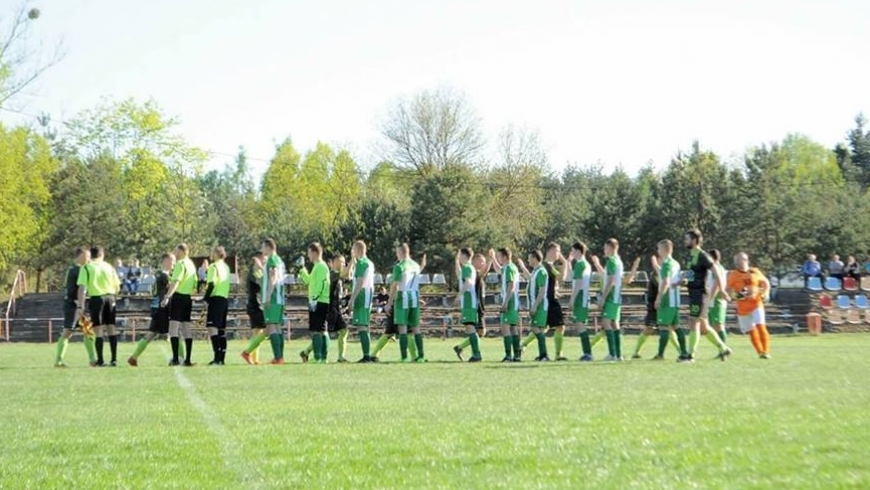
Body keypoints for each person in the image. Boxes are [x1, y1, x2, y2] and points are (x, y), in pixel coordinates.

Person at [680, 229, 731, 363]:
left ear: (694, 240)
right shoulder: (690, 255)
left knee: (693, 322)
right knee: (703, 326)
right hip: (693, 293)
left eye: (687, 239)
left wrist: (723, 290)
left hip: (700, 294)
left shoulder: (703, 255)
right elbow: (692, 273)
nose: (685, 241)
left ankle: (690, 355)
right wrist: (684, 280)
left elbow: (717, 272)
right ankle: (723, 348)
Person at [370, 252, 427, 362]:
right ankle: (414, 356)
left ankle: (375, 354)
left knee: (394, 331)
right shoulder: (403, 271)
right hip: (399, 304)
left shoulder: (399, 271)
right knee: (399, 331)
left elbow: (401, 286)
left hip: (401, 304)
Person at [241, 239, 287, 365]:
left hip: (272, 298)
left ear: (268, 247)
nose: (262, 250)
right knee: (276, 328)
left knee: (272, 327)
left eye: (263, 247)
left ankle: (278, 358)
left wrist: (267, 296)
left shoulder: (272, 259)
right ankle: (280, 357)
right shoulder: (279, 260)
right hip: (279, 298)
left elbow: (273, 278)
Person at [300, 254, 351, 363]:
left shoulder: (337, 275)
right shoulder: (332, 274)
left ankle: (340, 357)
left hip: (336, 309)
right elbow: (345, 273)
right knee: (324, 333)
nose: (343, 264)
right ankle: (309, 352)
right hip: (329, 310)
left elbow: (348, 275)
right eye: (341, 262)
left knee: (343, 330)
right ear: (333, 262)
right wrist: (353, 260)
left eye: (344, 262)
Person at [128, 253, 175, 366]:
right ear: (166, 260)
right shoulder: (164, 275)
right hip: (161, 308)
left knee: (151, 333)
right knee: (174, 332)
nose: (174, 263)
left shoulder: (160, 273)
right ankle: (181, 358)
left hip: (156, 307)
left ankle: (134, 357)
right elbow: (173, 287)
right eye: (172, 260)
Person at [77, 246, 121, 367]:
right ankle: (114, 359)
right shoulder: (109, 267)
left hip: (97, 298)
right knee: (111, 328)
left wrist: (80, 306)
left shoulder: (86, 267)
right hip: (110, 297)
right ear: (102, 255)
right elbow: (118, 286)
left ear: (91, 255)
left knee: (98, 330)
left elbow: (82, 288)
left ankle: (101, 360)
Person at [55, 247, 96, 367]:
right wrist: (79, 304)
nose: (89, 259)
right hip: (73, 305)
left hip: (77, 305)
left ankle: (92, 359)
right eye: (87, 256)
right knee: (68, 332)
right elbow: (76, 289)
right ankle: (58, 360)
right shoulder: (77, 269)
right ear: (80, 255)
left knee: (88, 331)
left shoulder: (72, 269)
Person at [726, 253, 771, 359]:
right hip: (743, 307)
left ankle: (766, 351)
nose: (736, 263)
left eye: (739, 260)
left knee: (761, 325)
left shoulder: (755, 271)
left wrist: (766, 293)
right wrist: (737, 296)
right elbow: (728, 290)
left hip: (756, 303)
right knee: (751, 330)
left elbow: (765, 282)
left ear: (746, 260)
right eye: (735, 261)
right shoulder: (733, 275)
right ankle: (760, 352)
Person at [386, 243, 425, 363]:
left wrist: (389, 303)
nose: (396, 255)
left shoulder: (399, 266)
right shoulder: (416, 265)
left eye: (397, 253)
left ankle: (404, 357)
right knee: (416, 328)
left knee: (402, 328)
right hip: (414, 297)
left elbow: (395, 286)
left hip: (402, 298)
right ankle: (421, 356)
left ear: (401, 252)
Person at [162, 243, 197, 367]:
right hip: (188, 298)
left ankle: (176, 358)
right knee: (186, 328)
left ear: (181, 252)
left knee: (173, 328)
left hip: (178, 297)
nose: (175, 253)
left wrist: (167, 296)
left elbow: (176, 281)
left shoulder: (180, 264)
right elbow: (195, 284)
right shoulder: (191, 265)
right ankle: (187, 359)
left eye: (176, 251)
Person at [298, 242, 331, 363]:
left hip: (319, 301)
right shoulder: (316, 267)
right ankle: (321, 358)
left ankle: (318, 357)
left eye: (309, 253)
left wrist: (315, 297)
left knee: (318, 330)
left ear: (315, 252)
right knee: (321, 329)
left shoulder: (321, 266)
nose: (308, 256)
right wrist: (302, 269)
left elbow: (323, 283)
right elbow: (308, 281)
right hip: (316, 301)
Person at [651, 240, 682, 360]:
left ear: (664, 249)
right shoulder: (676, 263)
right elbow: (672, 279)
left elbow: (665, 282)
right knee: (676, 326)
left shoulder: (667, 263)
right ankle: (684, 352)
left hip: (667, 299)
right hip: (675, 300)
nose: (658, 251)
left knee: (664, 327)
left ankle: (660, 354)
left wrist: (658, 298)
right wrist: (655, 266)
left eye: (659, 249)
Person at [488, 248, 521, 362]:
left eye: (499, 256)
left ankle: (509, 355)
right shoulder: (509, 267)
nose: (498, 258)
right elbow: (498, 269)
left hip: (510, 300)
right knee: (513, 328)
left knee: (506, 328)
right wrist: (492, 258)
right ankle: (517, 355)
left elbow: (511, 285)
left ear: (505, 257)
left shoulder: (509, 268)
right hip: (513, 300)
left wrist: (505, 302)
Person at [451, 248, 483, 362]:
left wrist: (458, 296)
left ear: (464, 255)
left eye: (459, 255)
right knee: (470, 327)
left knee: (470, 328)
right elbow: (459, 274)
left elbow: (468, 281)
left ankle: (476, 354)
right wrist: (456, 262)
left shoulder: (467, 267)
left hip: (468, 301)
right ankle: (475, 353)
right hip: (470, 301)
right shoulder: (470, 267)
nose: (458, 257)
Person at [518, 250, 550, 361]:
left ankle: (544, 355)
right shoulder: (536, 271)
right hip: (537, 305)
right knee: (539, 330)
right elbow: (530, 278)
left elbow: (542, 291)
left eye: (529, 258)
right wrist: (522, 267)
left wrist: (535, 306)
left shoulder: (541, 271)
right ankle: (543, 355)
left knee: (535, 328)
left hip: (540, 306)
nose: (528, 260)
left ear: (535, 258)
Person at [348, 241, 376, 363]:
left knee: (361, 326)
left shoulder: (361, 263)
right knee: (365, 325)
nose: (352, 252)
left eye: (353, 250)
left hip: (362, 294)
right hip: (369, 294)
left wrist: (352, 299)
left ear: (358, 250)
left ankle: (366, 356)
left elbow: (359, 282)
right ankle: (367, 354)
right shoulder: (369, 263)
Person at [203, 246, 231, 366]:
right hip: (224, 299)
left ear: (215, 253)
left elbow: (212, 283)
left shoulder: (213, 266)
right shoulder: (226, 267)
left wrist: (206, 298)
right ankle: (222, 358)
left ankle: (217, 357)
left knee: (212, 328)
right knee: (221, 330)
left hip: (216, 299)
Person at [566, 242, 594, 361]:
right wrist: (568, 263)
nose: (571, 253)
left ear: (578, 251)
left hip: (580, 296)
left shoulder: (580, 264)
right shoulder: (585, 264)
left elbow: (578, 283)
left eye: (573, 250)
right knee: (579, 324)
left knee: (580, 324)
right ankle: (587, 353)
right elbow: (571, 277)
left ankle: (587, 353)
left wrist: (572, 299)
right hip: (583, 296)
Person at [244, 251, 266, 365]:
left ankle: (253, 358)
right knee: (264, 331)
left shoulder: (256, 271)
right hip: (256, 305)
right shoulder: (253, 272)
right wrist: (263, 268)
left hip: (255, 304)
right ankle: (250, 355)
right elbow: (262, 281)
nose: (264, 261)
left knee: (257, 332)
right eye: (263, 259)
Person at [707, 249, 730, 346]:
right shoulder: (717, 268)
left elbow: (716, 284)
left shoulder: (716, 268)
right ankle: (722, 349)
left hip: (717, 300)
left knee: (719, 326)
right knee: (715, 326)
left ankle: (724, 350)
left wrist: (710, 299)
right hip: (715, 300)